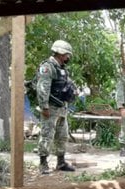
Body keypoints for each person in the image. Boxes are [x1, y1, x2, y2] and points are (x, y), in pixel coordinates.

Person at [36, 40, 77, 174]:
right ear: (60, 53)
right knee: (47, 135)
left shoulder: (62, 68)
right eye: (66, 54)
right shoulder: (48, 67)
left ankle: (61, 162)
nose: (68, 57)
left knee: (62, 135)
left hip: (61, 108)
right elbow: (43, 87)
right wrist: (44, 107)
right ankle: (43, 163)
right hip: (51, 108)